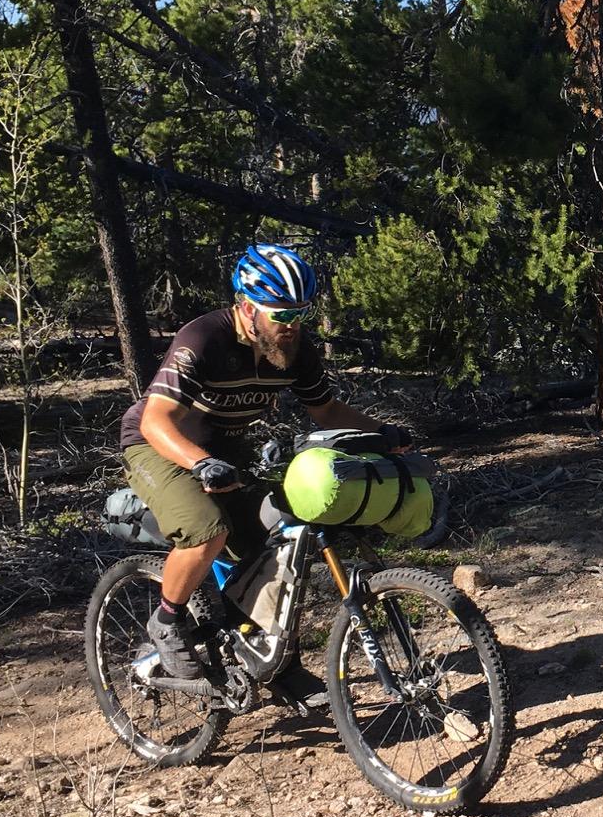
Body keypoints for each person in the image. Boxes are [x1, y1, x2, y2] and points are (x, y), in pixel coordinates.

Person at [118, 244, 400, 679]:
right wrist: (199, 464)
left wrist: (382, 433)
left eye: (300, 314)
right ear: (248, 308)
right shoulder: (204, 338)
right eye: (281, 315)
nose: (292, 326)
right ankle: (166, 622)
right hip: (158, 444)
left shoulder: (294, 348)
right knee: (205, 530)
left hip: (225, 450)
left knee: (276, 541)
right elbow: (157, 421)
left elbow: (326, 411)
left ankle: (273, 662)